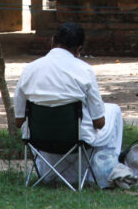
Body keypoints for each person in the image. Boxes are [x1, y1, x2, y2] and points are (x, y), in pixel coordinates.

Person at [14, 22, 123, 180]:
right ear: (79, 50)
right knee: (114, 110)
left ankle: (51, 173)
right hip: (74, 138)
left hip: (38, 138)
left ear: (52, 41)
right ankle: (102, 175)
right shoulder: (84, 70)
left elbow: (19, 121)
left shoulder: (30, 69)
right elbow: (99, 122)